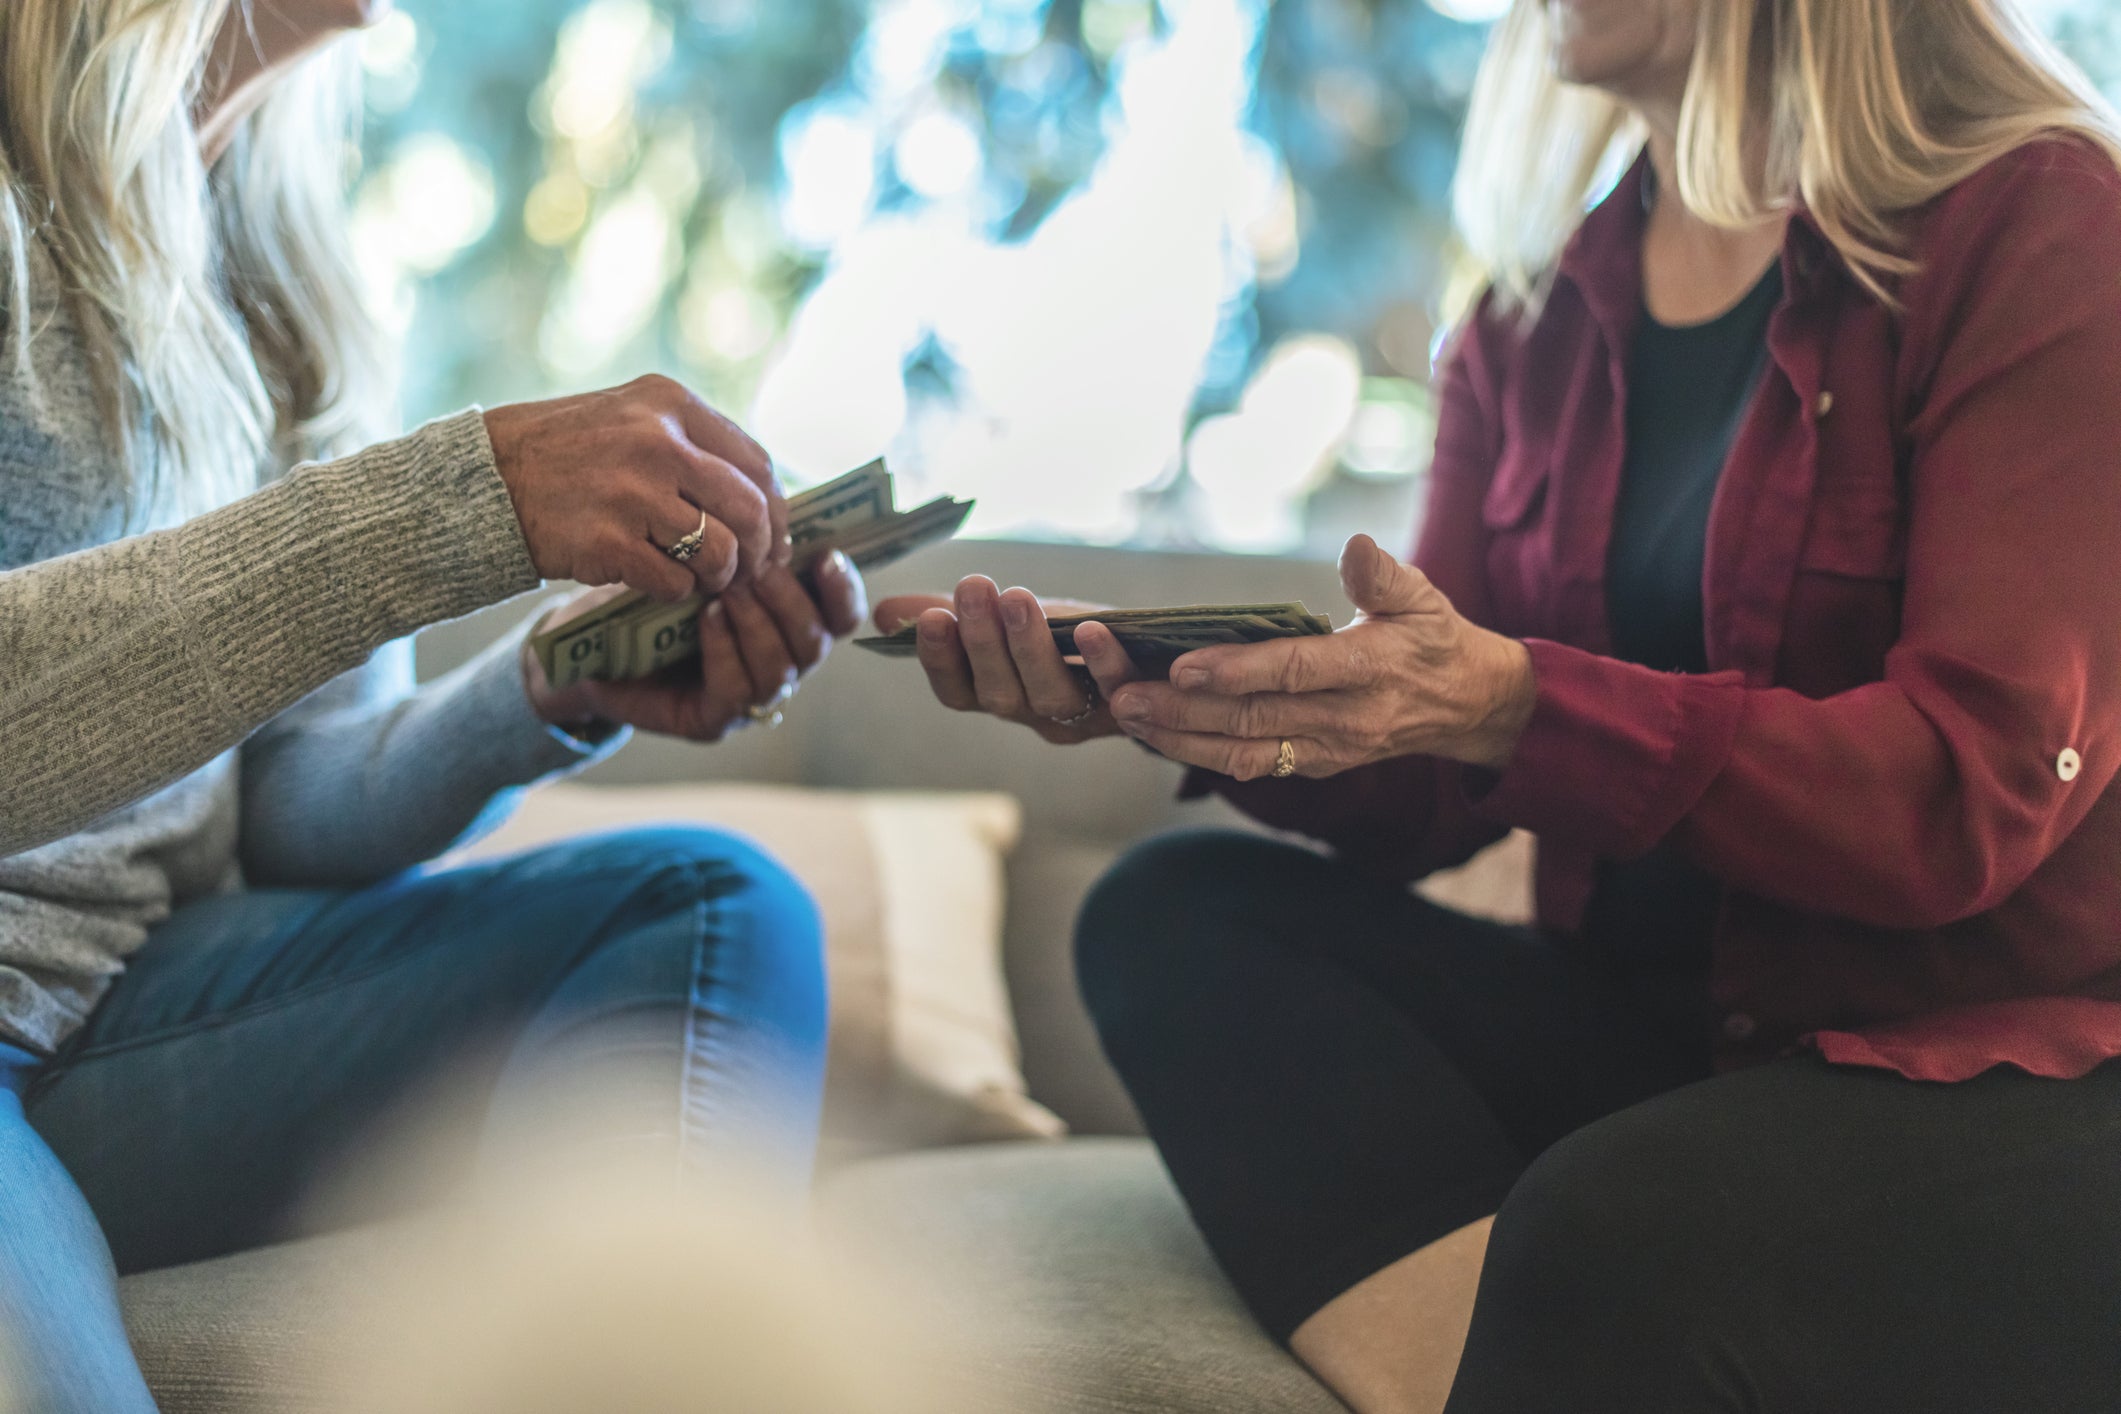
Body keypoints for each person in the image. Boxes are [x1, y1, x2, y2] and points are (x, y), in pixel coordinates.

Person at [883, 0, 2121, 1409]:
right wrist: (1163, 692)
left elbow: (1966, 791)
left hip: (1994, 1067)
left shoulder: (2042, 223)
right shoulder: (1523, 323)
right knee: (1168, 912)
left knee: (1613, 1222)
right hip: (1668, 1044)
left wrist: (1517, 704)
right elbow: (1420, 777)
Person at [0, 2, 865, 1408]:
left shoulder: (282, 276)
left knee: (706, 907)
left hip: (131, 1017)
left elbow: (288, 801)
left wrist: (543, 690)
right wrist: (453, 506)